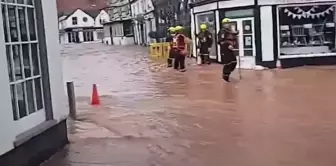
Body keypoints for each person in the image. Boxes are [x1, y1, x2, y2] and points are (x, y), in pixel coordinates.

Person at [218, 18, 239, 82]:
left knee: (234, 62)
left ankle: (227, 73)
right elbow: (220, 41)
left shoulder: (230, 31)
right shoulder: (222, 31)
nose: (228, 25)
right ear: (223, 24)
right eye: (226, 24)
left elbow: (233, 37)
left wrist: (236, 33)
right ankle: (225, 75)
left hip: (231, 48)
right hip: (225, 49)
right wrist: (227, 45)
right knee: (228, 62)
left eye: (228, 23)